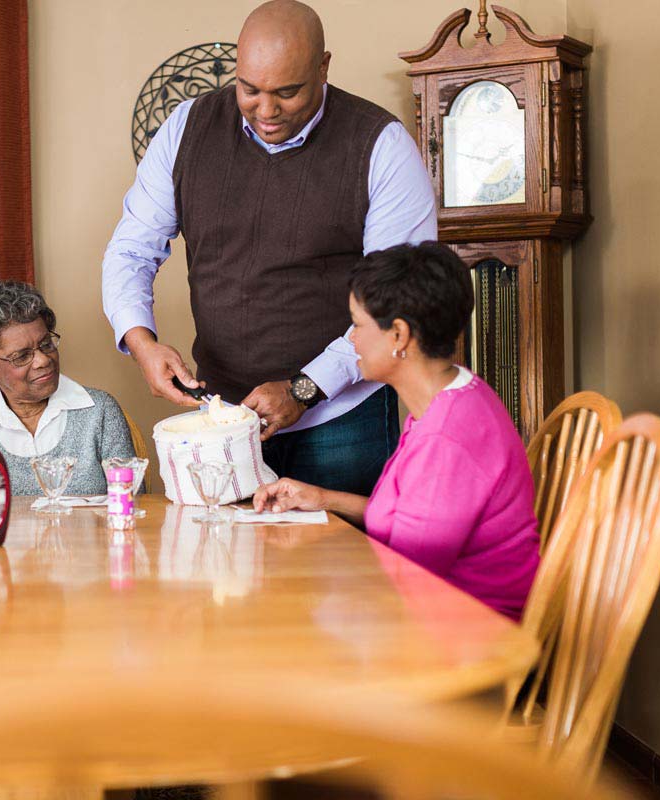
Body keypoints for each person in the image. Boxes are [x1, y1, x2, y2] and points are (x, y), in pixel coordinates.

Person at [102, 0, 436, 496]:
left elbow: (398, 302)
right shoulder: (186, 128)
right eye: (249, 89)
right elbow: (131, 249)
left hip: (341, 421)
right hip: (221, 421)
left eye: (287, 92)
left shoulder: (381, 145)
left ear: (323, 67)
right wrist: (140, 341)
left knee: (345, 568)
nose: (265, 110)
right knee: (224, 570)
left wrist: (305, 389)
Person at [253, 243, 539, 620]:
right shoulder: (450, 398)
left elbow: (404, 575)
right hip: (432, 616)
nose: (351, 339)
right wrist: (322, 498)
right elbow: (413, 522)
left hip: (467, 639)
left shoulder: (449, 437)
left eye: (357, 324)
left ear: (399, 335)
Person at [0, 281, 136, 498]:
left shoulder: (100, 411)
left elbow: (132, 505)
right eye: (21, 356)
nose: (42, 360)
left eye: (46, 344)